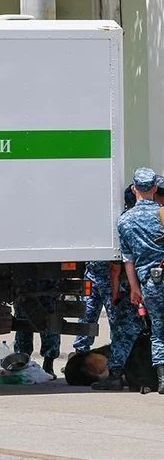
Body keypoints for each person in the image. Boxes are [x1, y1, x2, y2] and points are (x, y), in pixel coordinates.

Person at [73, 186, 139, 354]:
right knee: (117, 321)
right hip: (111, 279)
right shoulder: (125, 220)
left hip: (93, 274)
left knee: (87, 315)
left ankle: (79, 355)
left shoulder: (103, 217)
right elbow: (115, 265)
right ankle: (116, 359)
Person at [91, 185, 145, 390]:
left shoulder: (124, 221)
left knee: (124, 330)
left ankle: (116, 375)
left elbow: (116, 266)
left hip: (130, 285)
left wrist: (115, 293)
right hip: (152, 280)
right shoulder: (157, 214)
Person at [116, 167, 164, 394]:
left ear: (134, 189)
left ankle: (162, 379)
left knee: (158, 331)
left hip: (150, 283)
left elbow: (128, 260)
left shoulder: (125, 221)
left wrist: (135, 289)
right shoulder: (163, 214)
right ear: (155, 188)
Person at [13, 280, 61, 377]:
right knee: (24, 322)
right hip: (28, 281)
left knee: (48, 322)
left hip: (43, 281)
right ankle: (22, 361)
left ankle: (48, 364)